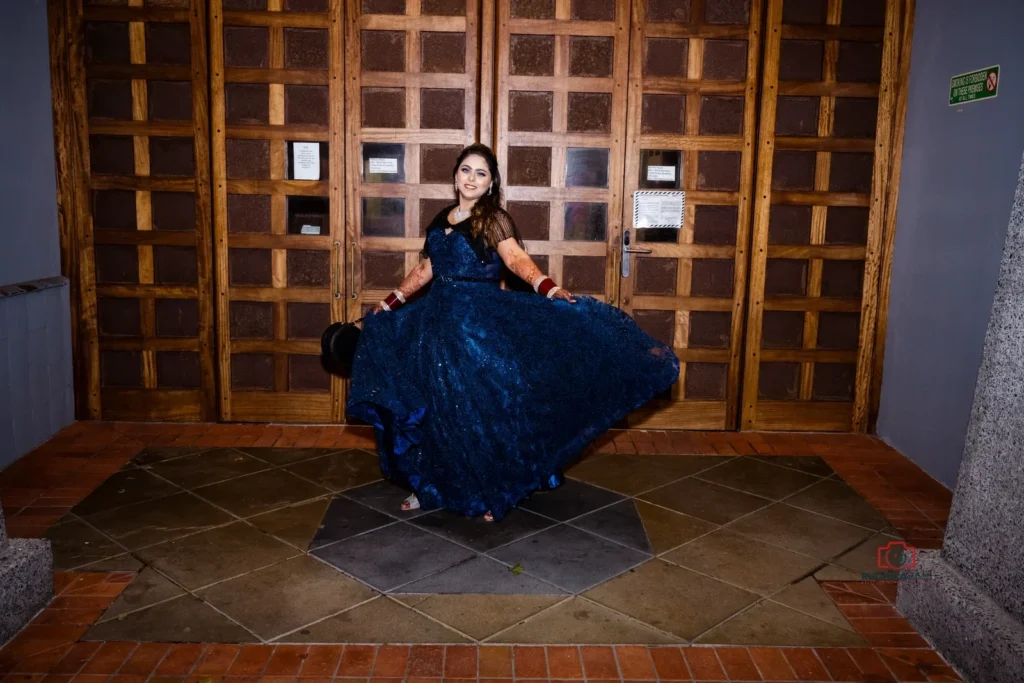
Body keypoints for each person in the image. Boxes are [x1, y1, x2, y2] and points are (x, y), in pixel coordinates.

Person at [346, 143, 679, 522]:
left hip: (478, 327)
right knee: (435, 409)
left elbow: (516, 260)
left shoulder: (494, 219)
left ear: (490, 184)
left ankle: (493, 489)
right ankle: (428, 486)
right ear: (455, 175)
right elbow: (426, 269)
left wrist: (549, 288)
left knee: (481, 411)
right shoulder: (441, 219)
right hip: (434, 328)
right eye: (466, 170)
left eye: (481, 173)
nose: (472, 178)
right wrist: (390, 302)